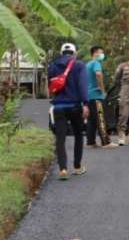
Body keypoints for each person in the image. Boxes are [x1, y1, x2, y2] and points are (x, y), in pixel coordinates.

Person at [48, 42, 89, 181]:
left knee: (60, 138)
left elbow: (51, 85)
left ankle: (63, 169)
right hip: (75, 106)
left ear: (61, 53)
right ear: (74, 53)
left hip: (58, 107)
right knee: (78, 135)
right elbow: (82, 85)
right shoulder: (79, 65)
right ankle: (77, 167)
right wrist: (85, 103)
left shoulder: (53, 66)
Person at [84, 46, 117, 149]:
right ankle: (105, 141)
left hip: (88, 95)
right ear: (94, 53)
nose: (102, 55)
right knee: (100, 118)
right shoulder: (96, 63)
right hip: (96, 95)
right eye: (100, 52)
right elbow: (98, 74)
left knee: (92, 120)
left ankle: (90, 142)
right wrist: (102, 89)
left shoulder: (87, 64)